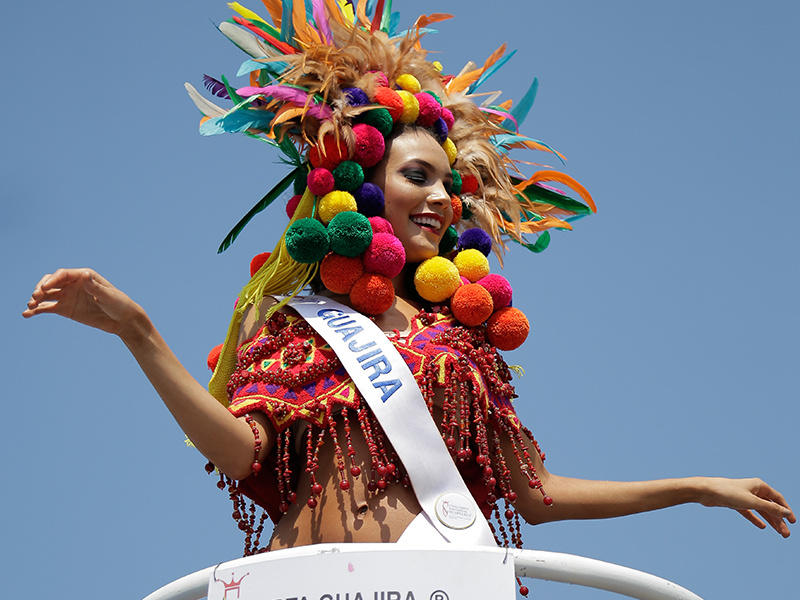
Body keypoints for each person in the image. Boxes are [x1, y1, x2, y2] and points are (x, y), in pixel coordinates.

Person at [22, 0, 793, 587]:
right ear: (361, 183)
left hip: (437, 582)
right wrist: (139, 333)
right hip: (300, 586)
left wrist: (696, 488)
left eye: (450, 186)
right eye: (418, 176)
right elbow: (240, 451)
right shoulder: (295, 323)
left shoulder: (460, 348)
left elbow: (536, 493)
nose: (442, 200)